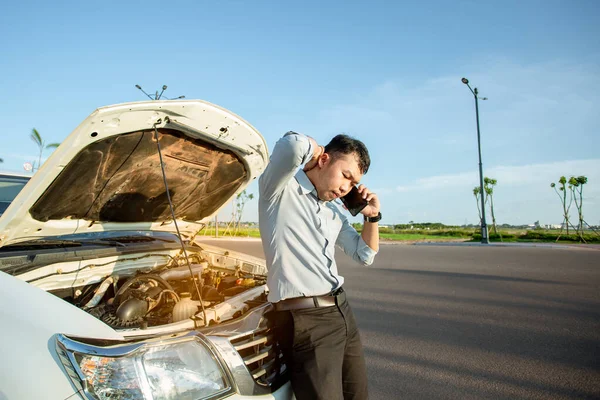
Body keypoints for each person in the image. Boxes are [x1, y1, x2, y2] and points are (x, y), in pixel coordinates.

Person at [258, 131, 381, 400]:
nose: (347, 187)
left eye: (354, 183)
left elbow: (365, 254)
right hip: (307, 322)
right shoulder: (279, 189)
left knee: (357, 395)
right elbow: (291, 145)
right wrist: (315, 151)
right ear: (324, 159)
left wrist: (372, 218)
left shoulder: (335, 209)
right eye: (346, 175)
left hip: (341, 312)